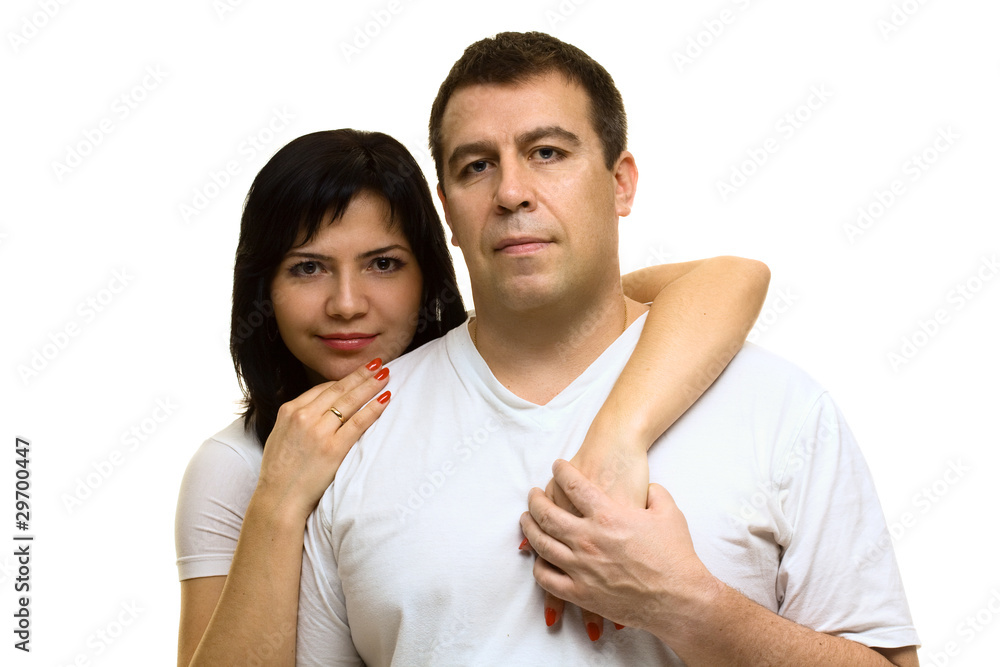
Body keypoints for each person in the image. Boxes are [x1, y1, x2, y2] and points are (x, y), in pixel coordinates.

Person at [295, 32, 920, 665]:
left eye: (547, 152)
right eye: (477, 166)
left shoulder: (777, 406)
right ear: (448, 212)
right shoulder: (358, 433)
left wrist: (687, 605)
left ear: (621, 184)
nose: (511, 192)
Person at [174, 128, 771, 665]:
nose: (347, 304)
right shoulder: (236, 465)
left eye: (383, 264)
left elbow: (729, 278)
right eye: (308, 268)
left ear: (428, 273)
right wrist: (279, 499)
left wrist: (620, 433)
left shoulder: (472, 391)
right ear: (263, 288)